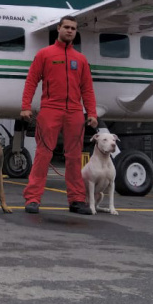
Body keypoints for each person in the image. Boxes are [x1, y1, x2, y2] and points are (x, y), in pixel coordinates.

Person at [20, 16, 98, 215]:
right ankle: (33, 199)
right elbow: (31, 81)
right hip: (50, 109)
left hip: (74, 112)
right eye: (67, 27)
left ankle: (77, 200)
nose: (70, 31)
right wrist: (26, 106)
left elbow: (87, 89)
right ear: (58, 28)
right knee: (43, 154)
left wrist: (92, 113)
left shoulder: (80, 59)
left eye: (73, 28)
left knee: (74, 157)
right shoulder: (44, 54)